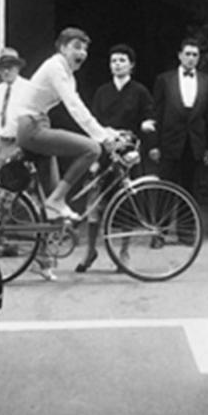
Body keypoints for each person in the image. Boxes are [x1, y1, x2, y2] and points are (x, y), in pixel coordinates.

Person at [14, 27, 120, 221]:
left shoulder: (67, 73)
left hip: (39, 124)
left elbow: (78, 105)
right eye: (76, 47)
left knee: (53, 196)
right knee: (91, 149)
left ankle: (49, 232)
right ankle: (56, 201)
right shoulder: (56, 67)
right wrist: (101, 137)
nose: (81, 53)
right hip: (32, 126)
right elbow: (74, 106)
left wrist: (103, 130)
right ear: (62, 48)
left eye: (85, 49)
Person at [75, 43, 156, 272]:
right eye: (113, 61)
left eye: (122, 60)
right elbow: (93, 121)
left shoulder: (140, 91)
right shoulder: (102, 92)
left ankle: (123, 252)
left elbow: (149, 115)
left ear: (131, 65)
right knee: (94, 201)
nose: (117, 65)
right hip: (104, 151)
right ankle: (90, 250)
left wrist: (146, 126)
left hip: (127, 152)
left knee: (126, 203)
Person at [150, 38, 208, 197]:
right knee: (166, 189)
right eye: (187, 54)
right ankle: (164, 222)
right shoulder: (164, 80)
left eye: (195, 55)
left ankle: (188, 222)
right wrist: (154, 144)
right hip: (169, 142)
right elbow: (157, 113)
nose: (191, 58)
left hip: (195, 143)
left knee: (190, 190)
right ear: (180, 55)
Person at [0, 47, 33, 175]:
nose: (6, 71)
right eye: (2, 68)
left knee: (16, 184)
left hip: (19, 144)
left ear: (17, 68)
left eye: (10, 67)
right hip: (1, 144)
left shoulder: (28, 89)